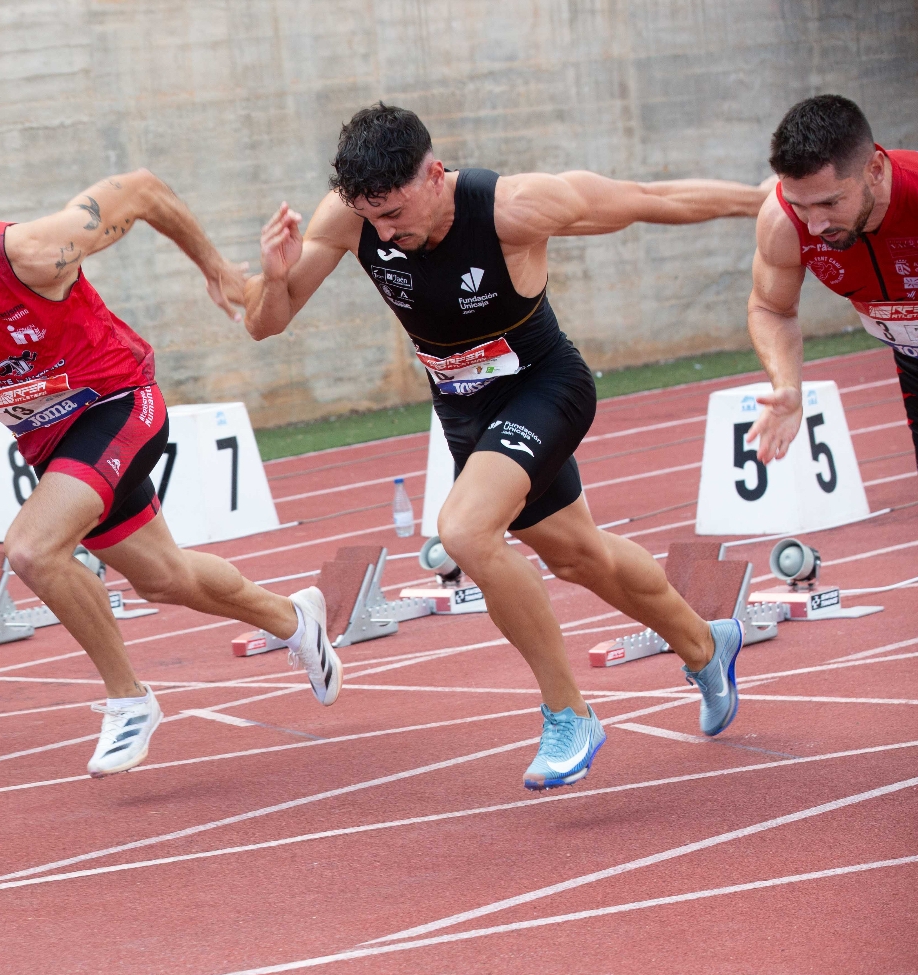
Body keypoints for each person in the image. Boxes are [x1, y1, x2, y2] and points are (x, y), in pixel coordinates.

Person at [243, 104, 767, 789]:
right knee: (578, 555)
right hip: (465, 409)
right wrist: (274, 276)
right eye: (372, 219)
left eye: (395, 213)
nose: (385, 233)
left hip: (544, 387)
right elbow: (266, 324)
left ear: (435, 175)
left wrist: (765, 201)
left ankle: (569, 713)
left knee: (465, 531)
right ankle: (705, 643)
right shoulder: (350, 217)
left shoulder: (513, 208)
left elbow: (648, 198)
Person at [0, 167, 342, 778]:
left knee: (32, 549)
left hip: (118, 405)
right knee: (164, 578)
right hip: (47, 436)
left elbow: (141, 189)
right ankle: (294, 620)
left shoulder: (33, 253)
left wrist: (216, 267)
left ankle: (129, 699)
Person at [748, 94, 918, 467]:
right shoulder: (782, 224)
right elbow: (771, 308)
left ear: (875, 170)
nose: (815, 225)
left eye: (829, 203)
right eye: (800, 204)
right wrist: (787, 384)